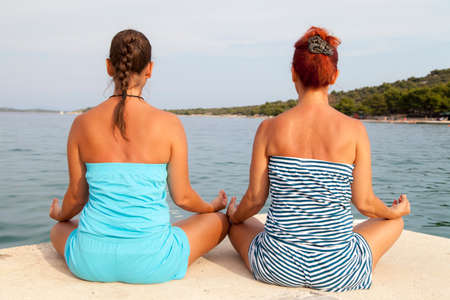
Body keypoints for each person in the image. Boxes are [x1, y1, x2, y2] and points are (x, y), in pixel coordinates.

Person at [226, 27, 410, 292]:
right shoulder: (354, 130)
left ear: (293, 73)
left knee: (238, 224)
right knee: (394, 222)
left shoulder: (269, 128)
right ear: (334, 76)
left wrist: (234, 216)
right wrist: (394, 212)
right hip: (338, 272)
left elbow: (254, 200)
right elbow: (365, 203)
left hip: (277, 266)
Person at [49, 29, 229, 283]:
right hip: (153, 262)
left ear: (109, 67)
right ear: (150, 69)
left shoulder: (81, 124)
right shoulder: (169, 124)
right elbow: (184, 197)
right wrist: (211, 207)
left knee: (59, 229)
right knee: (219, 221)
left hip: (89, 261)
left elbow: (77, 198)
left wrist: (59, 214)